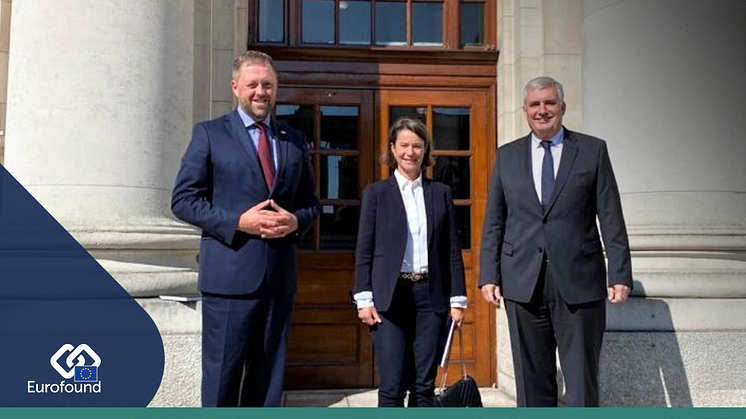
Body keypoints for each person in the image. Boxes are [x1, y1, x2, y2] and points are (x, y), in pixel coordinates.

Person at [171, 50, 318, 407]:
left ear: (277, 88)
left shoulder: (293, 140)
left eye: (267, 84)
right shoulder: (209, 134)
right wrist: (238, 222)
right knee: (223, 378)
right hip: (229, 281)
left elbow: (312, 204)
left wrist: (296, 221)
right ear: (235, 87)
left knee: (267, 382)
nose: (260, 91)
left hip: (277, 280)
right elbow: (183, 200)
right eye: (252, 84)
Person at [479, 76, 632, 407]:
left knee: (580, 384)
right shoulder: (507, 156)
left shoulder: (592, 151)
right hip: (522, 283)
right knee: (532, 385)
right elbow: (494, 221)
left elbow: (610, 215)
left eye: (549, 103)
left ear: (562, 107)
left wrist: (619, 273)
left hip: (579, 282)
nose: (542, 110)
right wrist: (489, 274)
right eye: (535, 104)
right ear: (524, 110)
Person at [353, 118, 467, 407]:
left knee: (423, 386)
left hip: (431, 298)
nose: (410, 152)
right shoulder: (376, 194)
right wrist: (363, 299)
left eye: (417, 146)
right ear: (392, 149)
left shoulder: (440, 193)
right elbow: (364, 250)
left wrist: (458, 299)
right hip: (390, 300)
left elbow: (451, 250)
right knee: (392, 385)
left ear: (425, 149)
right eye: (404, 145)